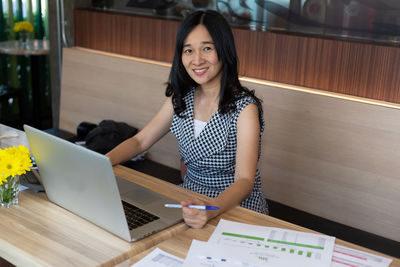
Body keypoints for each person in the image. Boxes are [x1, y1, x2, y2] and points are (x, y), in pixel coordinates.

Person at [106, 10, 268, 229]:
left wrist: (210, 210)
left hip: (234, 208)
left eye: (207, 48)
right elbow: (140, 141)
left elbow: (245, 181)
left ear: (224, 50)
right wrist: (102, 163)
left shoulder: (245, 108)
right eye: (188, 50)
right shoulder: (181, 99)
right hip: (189, 203)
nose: (197, 60)